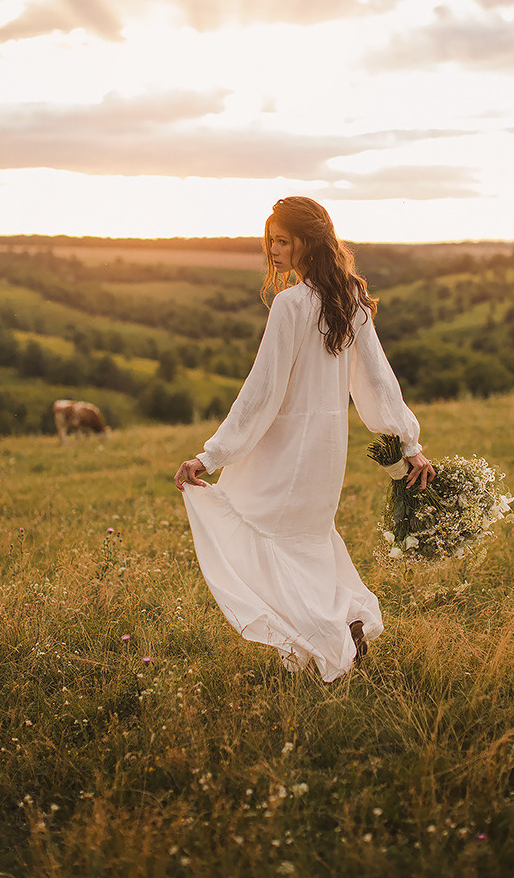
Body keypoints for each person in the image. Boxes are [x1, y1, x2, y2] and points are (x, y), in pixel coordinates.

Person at [174, 196, 435, 681]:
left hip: (286, 450)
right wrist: (408, 441)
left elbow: (262, 391)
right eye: (269, 239)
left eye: (281, 240)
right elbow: (378, 383)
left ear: (307, 243)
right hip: (324, 451)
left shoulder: (292, 304)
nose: (272, 249)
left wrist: (211, 456)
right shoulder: (349, 299)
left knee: (270, 538)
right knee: (306, 543)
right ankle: (340, 627)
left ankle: (326, 639)